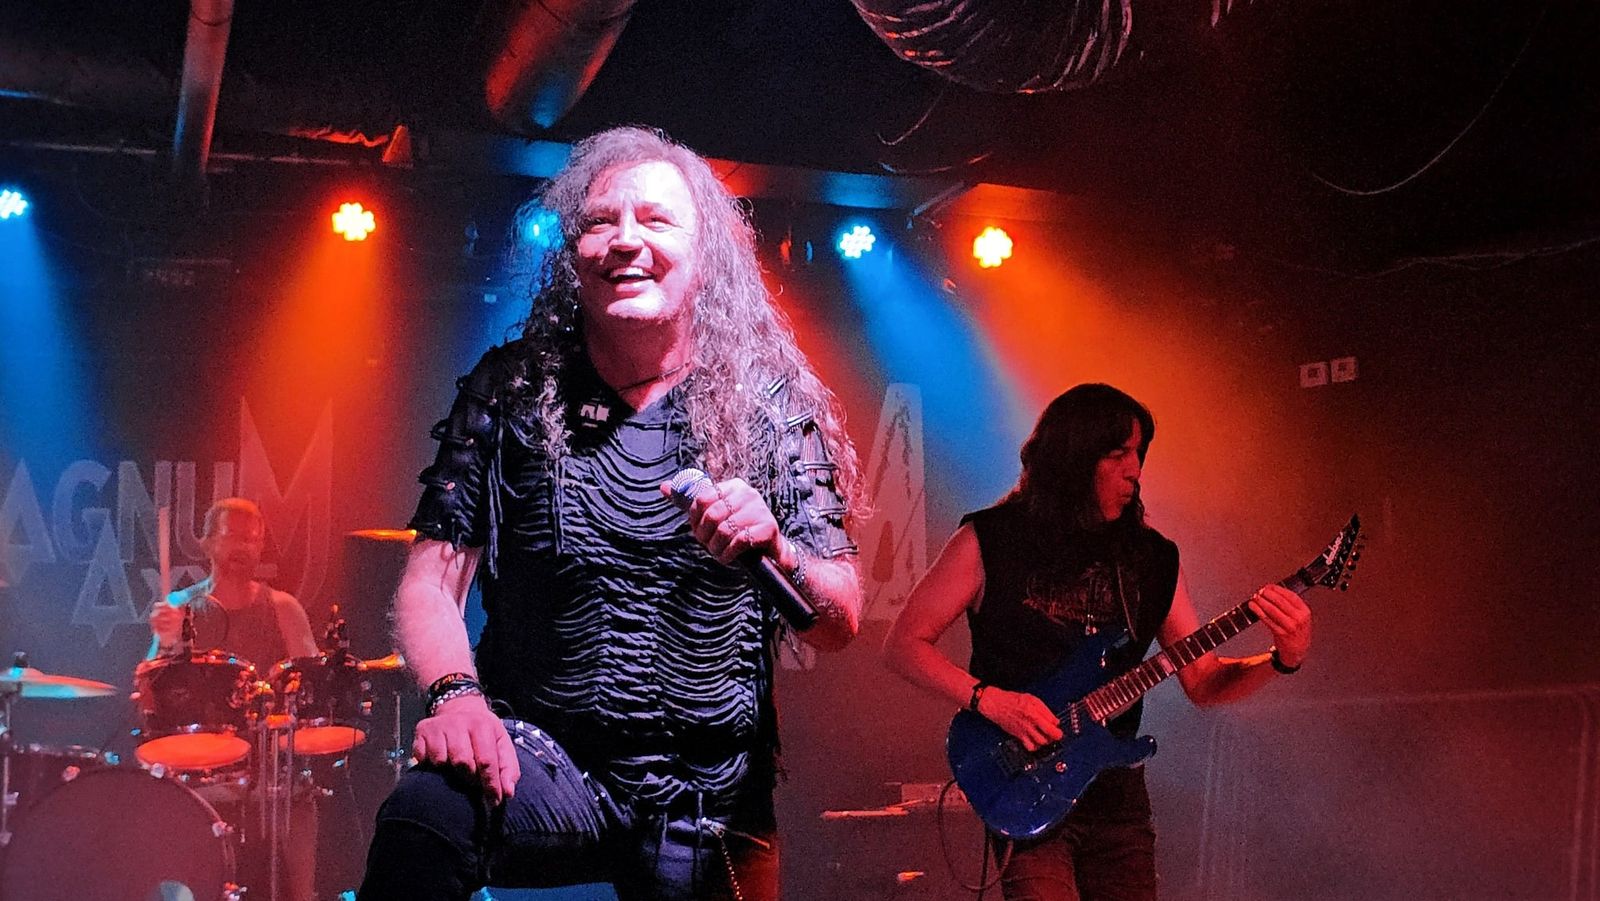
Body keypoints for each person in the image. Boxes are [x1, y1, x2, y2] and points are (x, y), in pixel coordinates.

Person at [357, 126, 864, 901]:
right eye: (601, 221)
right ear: (573, 254)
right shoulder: (513, 389)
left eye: (656, 220)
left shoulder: (767, 404)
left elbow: (839, 618)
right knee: (426, 814)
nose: (626, 240)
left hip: (712, 795)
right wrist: (456, 696)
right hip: (544, 760)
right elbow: (430, 581)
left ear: (706, 253)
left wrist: (779, 550)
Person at [882, 384, 1312, 901]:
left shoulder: (1152, 559)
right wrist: (992, 702)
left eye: (1139, 453)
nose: (1135, 470)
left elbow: (1204, 681)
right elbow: (904, 644)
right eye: (1118, 454)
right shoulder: (991, 540)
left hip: (1116, 795)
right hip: (1026, 777)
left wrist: (1281, 659)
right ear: (1073, 458)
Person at [147, 496, 321, 901]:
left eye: (252, 539)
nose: (243, 547)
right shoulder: (181, 608)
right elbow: (148, 695)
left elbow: (310, 689)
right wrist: (164, 642)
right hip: (198, 771)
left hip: (271, 770)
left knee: (302, 800)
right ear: (207, 543)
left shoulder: (283, 609)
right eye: (232, 536)